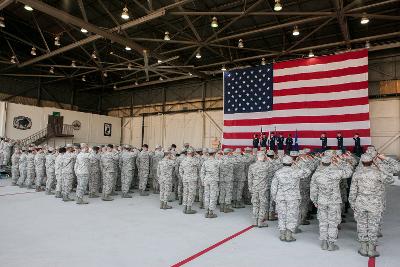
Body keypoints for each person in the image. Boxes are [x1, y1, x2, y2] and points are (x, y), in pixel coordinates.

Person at [349, 153, 395, 257]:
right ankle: (371, 249)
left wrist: (353, 205)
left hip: (360, 203)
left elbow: (352, 192)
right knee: (373, 226)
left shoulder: (357, 174)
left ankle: (363, 248)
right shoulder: (378, 173)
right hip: (375, 204)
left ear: (361, 162)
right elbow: (391, 179)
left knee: (361, 225)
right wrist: (381, 166)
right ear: (372, 162)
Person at [310, 155, 352, 251]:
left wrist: (315, 201)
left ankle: (324, 243)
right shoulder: (337, 172)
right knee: (333, 222)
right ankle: (331, 244)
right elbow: (349, 172)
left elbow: (313, 190)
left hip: (321, 201)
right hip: (334, 201)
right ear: (331, 162)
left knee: (323, 222)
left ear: (321, 162)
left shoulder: (316, 174)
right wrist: (340, 162)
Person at [271, 155, 311, 242]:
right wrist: (300, 164)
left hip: (280, 197)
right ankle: (289, 235)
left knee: (281, 215)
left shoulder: (278, 172)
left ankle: (282, 234)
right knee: (291, 215)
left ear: (283, 163)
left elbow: (274, 186)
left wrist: (275, 197)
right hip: (293, 197)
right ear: (292, 162)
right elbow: (308, 172)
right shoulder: (296, 171)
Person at [248, 151, 272, 227]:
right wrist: (268, 159)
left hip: (254, 187)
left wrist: (250, 188)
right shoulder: (267, 165)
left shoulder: (252, 166)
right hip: (263, 188)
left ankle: (255, 221)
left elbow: (250, 178)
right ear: (264, 157)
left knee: (255, 204)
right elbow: (273, 165)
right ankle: (260, 221)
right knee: (262, 204)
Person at [201, 148, 220, 218]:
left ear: (208, 154)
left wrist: (203, 180)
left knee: (206, 195)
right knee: (212, 195)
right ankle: (211, 212)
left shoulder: (205, 162)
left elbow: (202, 172)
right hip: (213, 180)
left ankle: (206, 211)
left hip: (206, 180)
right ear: (214, 154)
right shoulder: (217, 162)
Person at [179, 148, 200, 214]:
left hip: (185, 179)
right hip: (192, 179)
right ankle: (189, 208)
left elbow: (180, 170)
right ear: (192, 153)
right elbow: (200, 165)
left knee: (185, 192)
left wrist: (183, 176)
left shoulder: (184, 160)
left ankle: (184, 207)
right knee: (191, 193)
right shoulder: (195, 160)